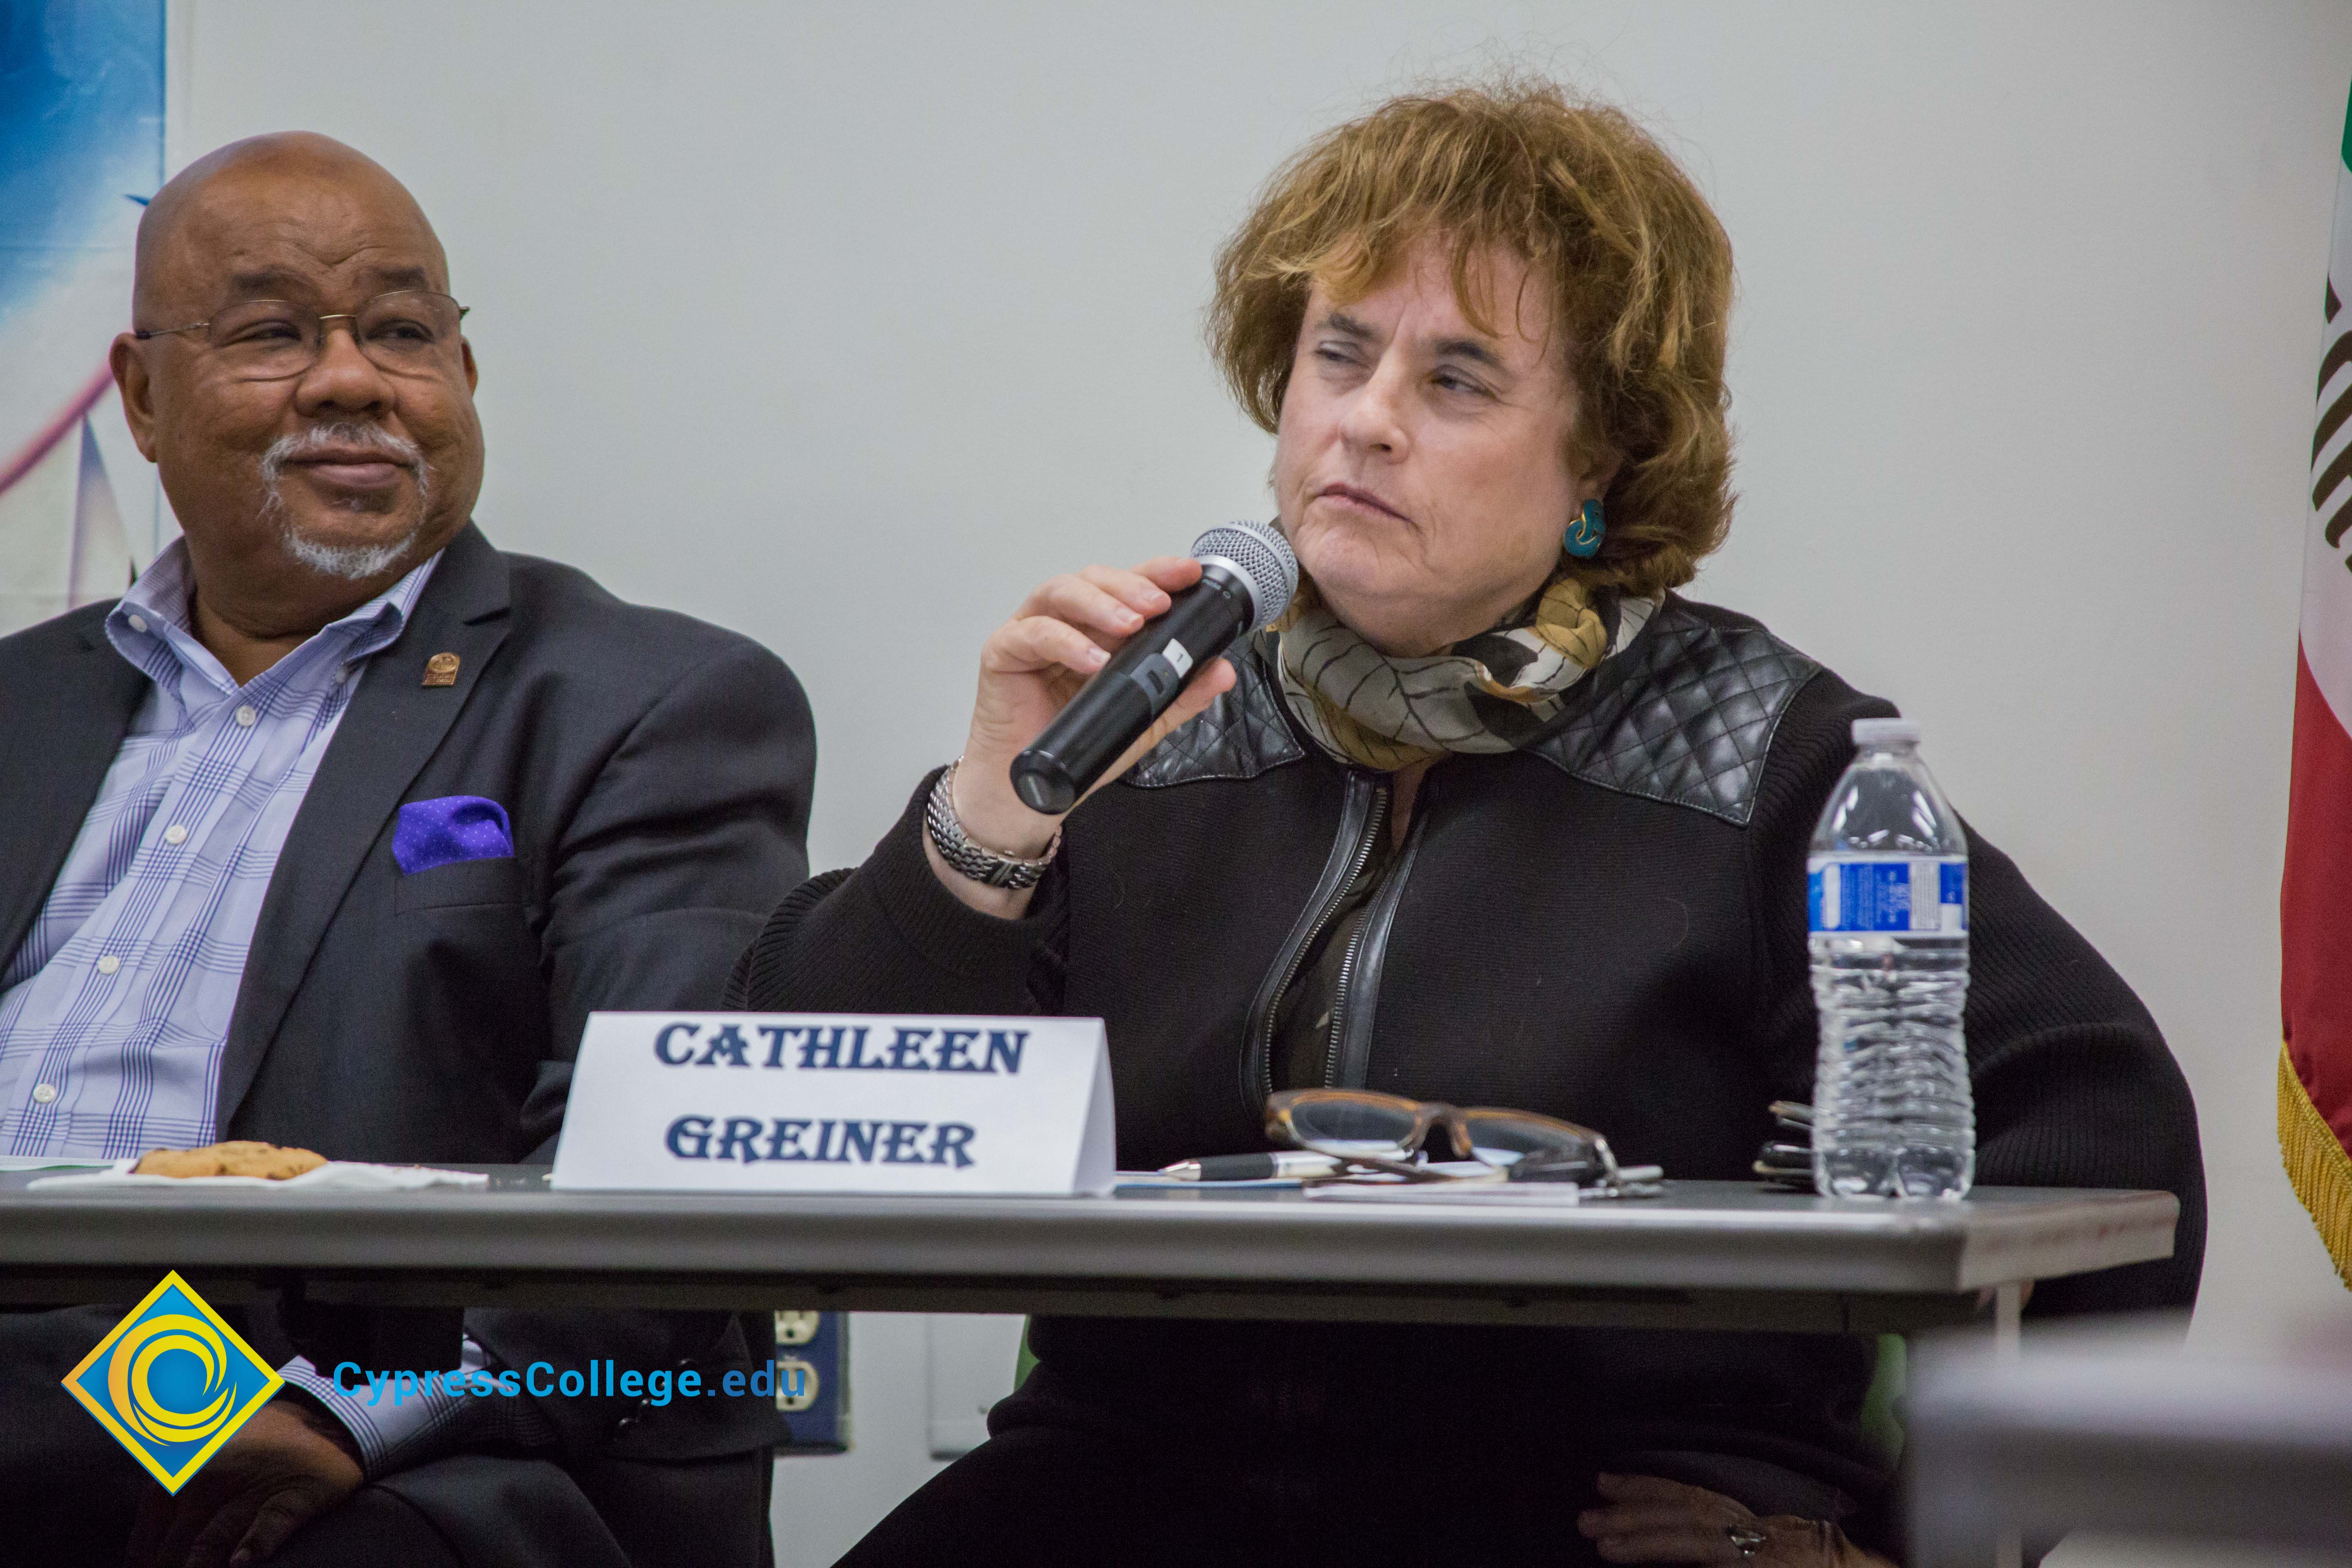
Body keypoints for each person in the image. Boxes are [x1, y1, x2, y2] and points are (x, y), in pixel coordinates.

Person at [733, 81, 2205, 1566]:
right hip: (1129, 1483)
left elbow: (2104, 1136)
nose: (1366, 422)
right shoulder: (1155, 716)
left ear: (1598, 464)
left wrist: (1899, 1549)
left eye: (1456, 381)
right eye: (1339, 354)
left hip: (1579, 1509)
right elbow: (784, 1118)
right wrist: (994, 813)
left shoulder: (1767, 760)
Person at [0, 134, 814, 1567]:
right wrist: (126, 1386)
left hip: (357, 1420)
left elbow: (654, 1167)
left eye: (400, 331)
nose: (350, 379)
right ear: (141, 397)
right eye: (271, 333)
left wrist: (334, 1415)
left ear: (464, 374)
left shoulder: (645, 704)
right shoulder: (22, 708)